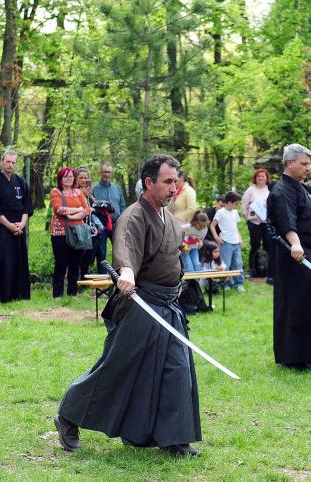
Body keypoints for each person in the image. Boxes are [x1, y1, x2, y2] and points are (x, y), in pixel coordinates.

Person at [55, 153, 202, 458]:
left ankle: (174, 438)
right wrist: (127, 273)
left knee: (177, 368)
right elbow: (125, 248)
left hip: (168, 307)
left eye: (176, 181)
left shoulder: (170, 220)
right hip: (141, 305)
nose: (173, 187)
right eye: (167, 181)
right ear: (149, 182)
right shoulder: (134, 216)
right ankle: (68, 415)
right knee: (117, 369)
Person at [267, 143, 311, 370]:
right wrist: (295, 244)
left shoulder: (305, 188)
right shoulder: (281, 190)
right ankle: (294, 356)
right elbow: (287, 220)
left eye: (309, 163)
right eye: (304, 164)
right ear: (290, 163)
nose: (309, 168)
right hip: (296, 255)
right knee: (298, 303)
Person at [0, 150, 33, 302]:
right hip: (2, 224)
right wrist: (9, 226)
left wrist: (22, 224)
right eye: (8, 162)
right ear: (1, 162)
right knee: (4, 258)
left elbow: (27, 205)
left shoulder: (20, 181)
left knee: (19, 257)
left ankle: (19, 293)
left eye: (13, 162)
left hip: (20, 224)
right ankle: (1, 293)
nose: (10, 165)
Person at [49, 167, 91, 298]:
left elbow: (87, 210)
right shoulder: (55, 191)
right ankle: (57, 295)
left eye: (71, 176)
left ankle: (73, 293)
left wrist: (73, 216)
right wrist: (77, 210)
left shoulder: (78, 192)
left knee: (75, 264)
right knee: (61, 263)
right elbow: (59, 209)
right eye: (66, 176)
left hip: (78, 232)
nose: (69, 178)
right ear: (60, 178)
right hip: (60, 233)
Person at [92, 162, 126, 270]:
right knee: (101, 252)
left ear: (111, 173)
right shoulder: (94, 189)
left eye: (109, 172)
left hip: (116, 224)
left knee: (119, 251)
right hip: (101, 225)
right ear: (100, 173)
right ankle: (103, 278)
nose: (106, 174)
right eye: (104, 172)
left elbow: (122, 205)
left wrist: (123, 221)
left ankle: (119, 276)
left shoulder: (117, 188)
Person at [210, 191, 245, 291]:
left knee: (238, 264)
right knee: (226, 265)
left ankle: (239, 283)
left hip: (236, 243)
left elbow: (235, 227)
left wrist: (240, 238)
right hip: (226, 243)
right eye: (236, 203)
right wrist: (217, 237)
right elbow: (212, 225)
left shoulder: (235, 213)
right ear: (229, 202)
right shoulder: (220, 212)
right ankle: (226, 284)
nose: (237, 206)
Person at [241, 168, 272, 277]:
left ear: (266, 178)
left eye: (263, 176)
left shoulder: (270, 189)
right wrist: (247, 217)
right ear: (255, 178)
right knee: (255, 245)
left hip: (267, 222)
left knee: (268, 245)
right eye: (258, 176)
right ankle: (252, 270)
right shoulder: (251, 190)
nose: (261, 178)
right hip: (254, 222)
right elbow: (244, 205)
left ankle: (269, 270)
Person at [76, 167, 101, 280]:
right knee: (78, 255)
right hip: (77, 227)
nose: (83, 180)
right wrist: (81, 194)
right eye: (80, 177)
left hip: (89, 228)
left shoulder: (90, 193)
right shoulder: (73, 193)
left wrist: (89, 196)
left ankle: (84, 279)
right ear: (76, 179)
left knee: (88, 255)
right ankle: (76, 281)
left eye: (86, 178)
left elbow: (94, 206)